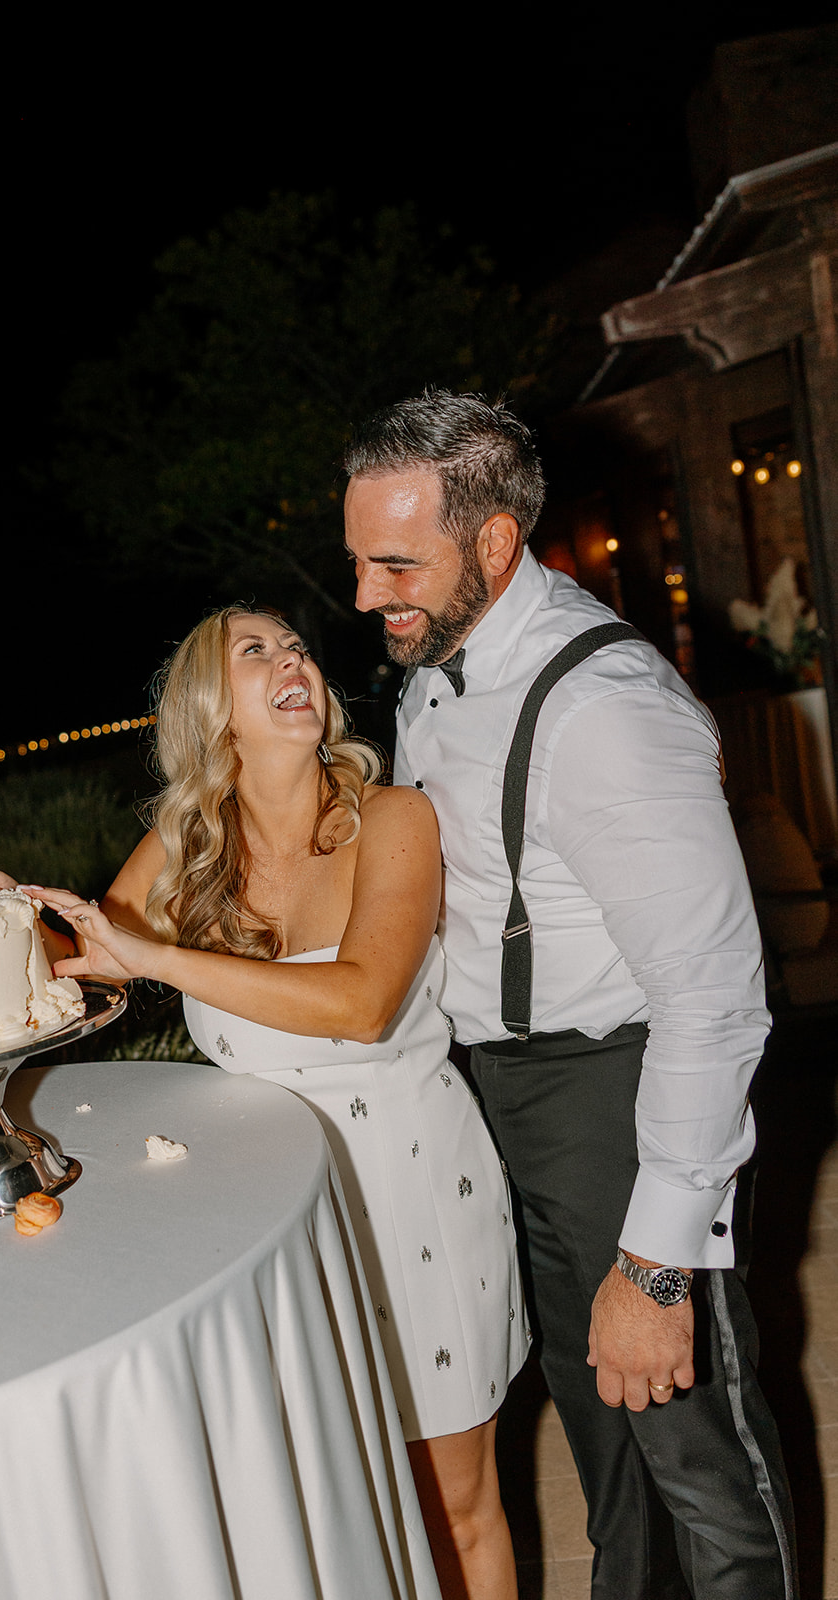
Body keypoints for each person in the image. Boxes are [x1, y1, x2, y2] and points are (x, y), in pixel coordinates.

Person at [0, 606, 530, 1600]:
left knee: (451, 1501)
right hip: (276, 1220)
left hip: (412, 1201)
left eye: (297, 646)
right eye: (256, 651)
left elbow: (359, 1004)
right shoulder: (189, 851)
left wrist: (155, 955)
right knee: (338, 1498)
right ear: (209, 710)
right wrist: (3, 920)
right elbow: (84, 970)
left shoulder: (394, 818)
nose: (294, 660)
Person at [340, 388, 798, 1600]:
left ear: (493, 544)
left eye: (394, 562)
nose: (363, 594)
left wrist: (654, 1264)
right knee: (609, 1464)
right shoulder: (434, 666)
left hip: (616, 1096)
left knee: (699, 1457)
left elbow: (712, 999)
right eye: (356, 559)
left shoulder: (601, 705)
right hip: (510, 1102)